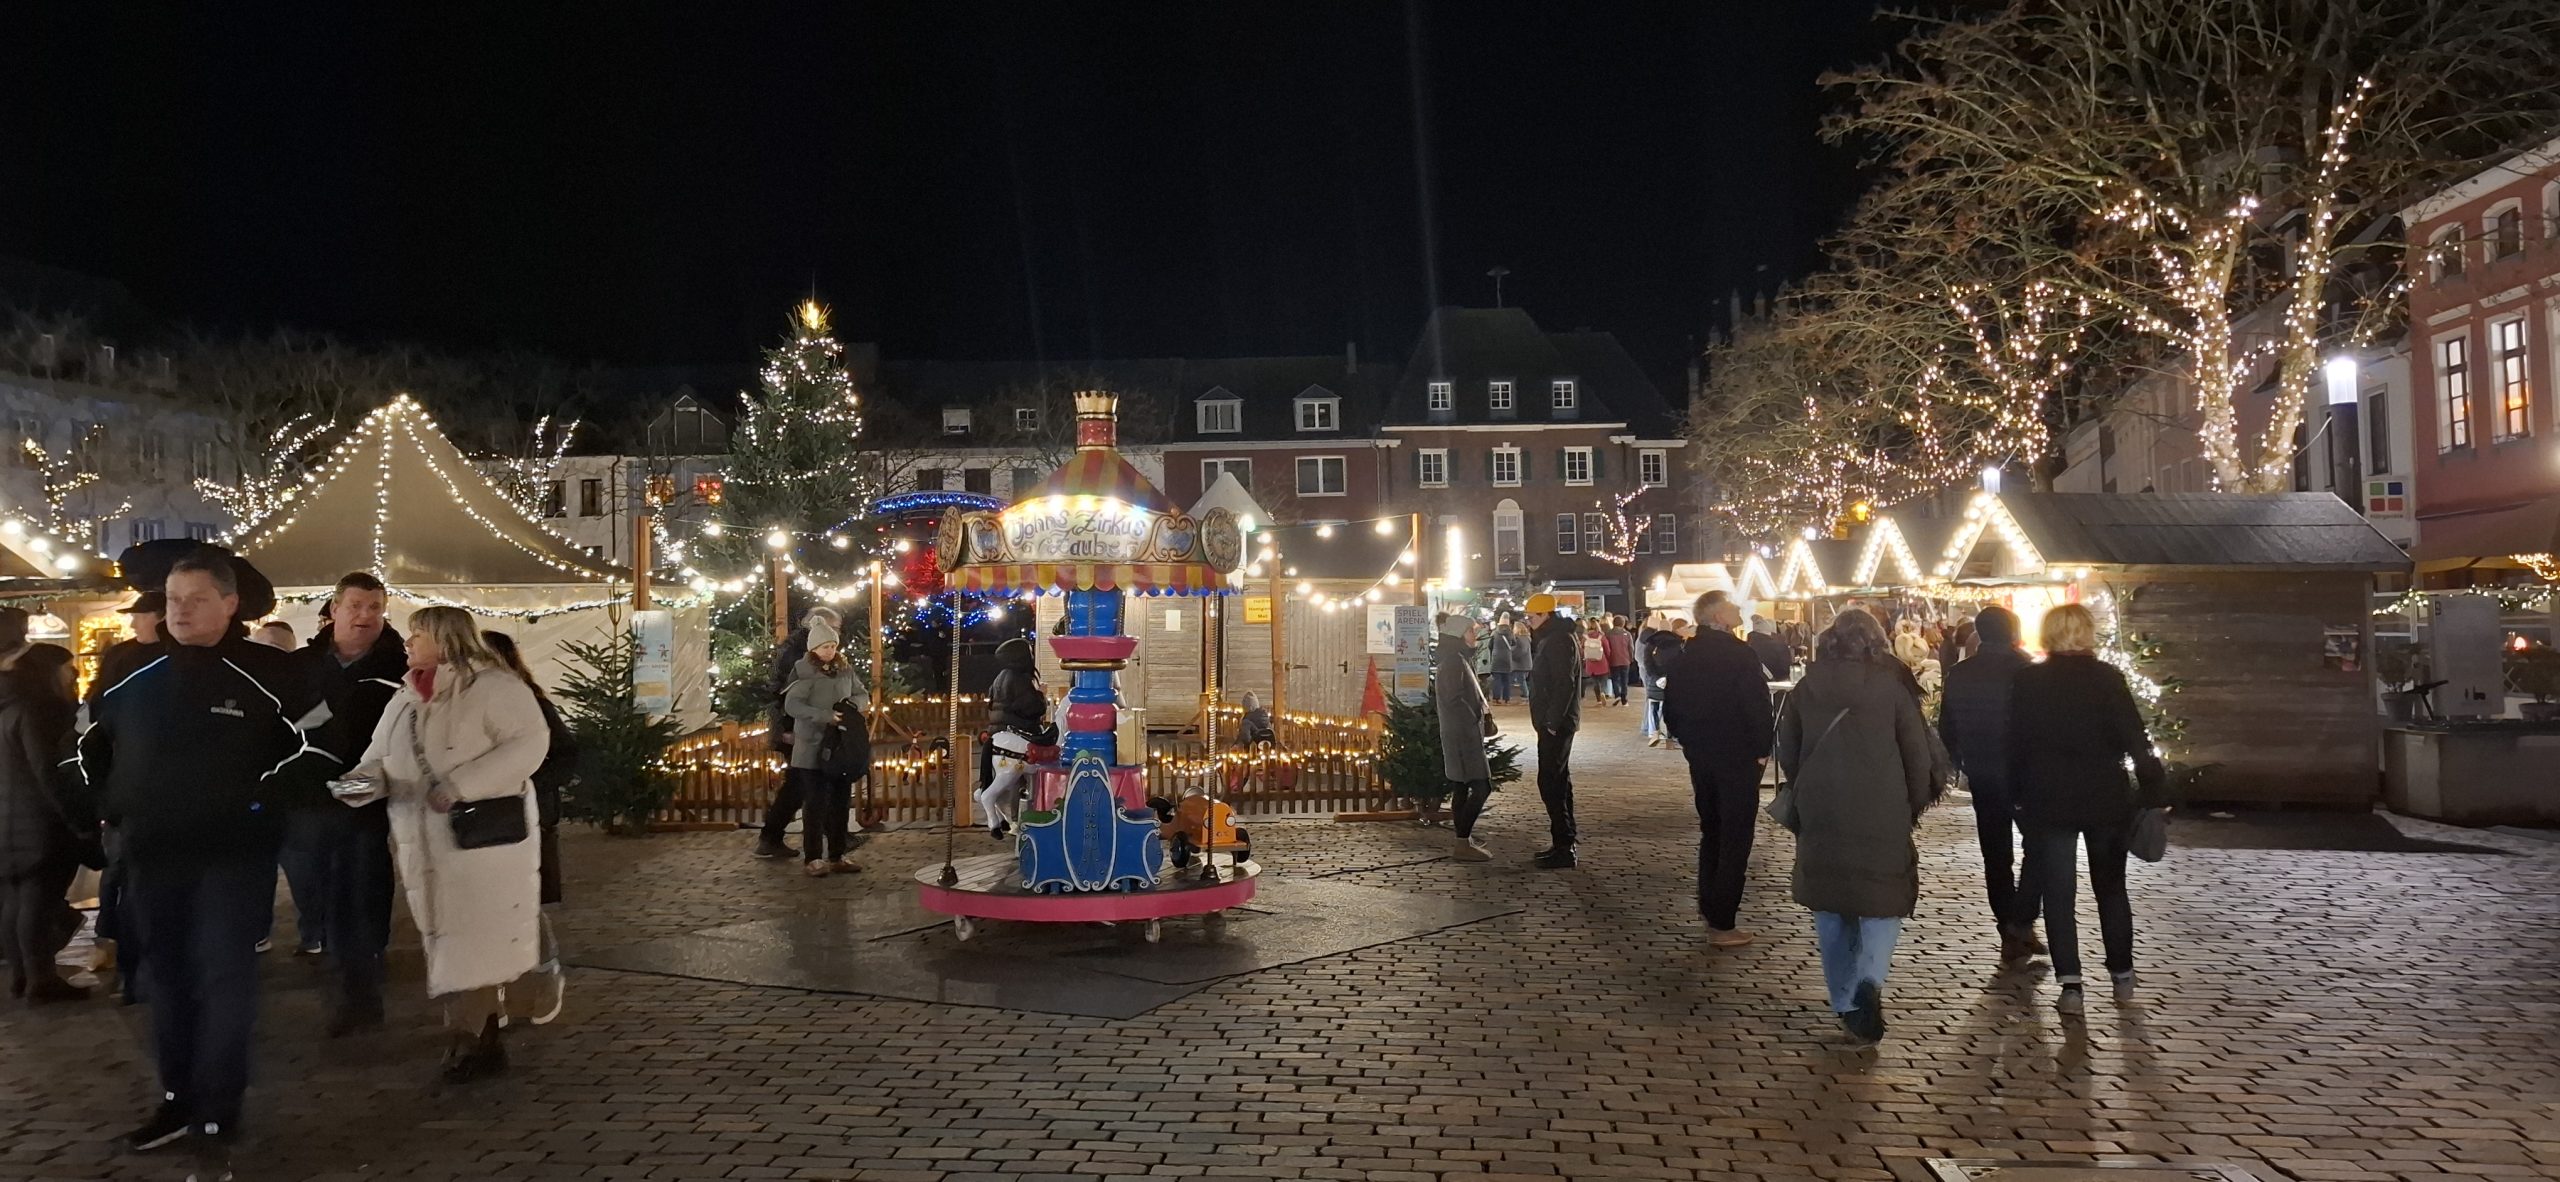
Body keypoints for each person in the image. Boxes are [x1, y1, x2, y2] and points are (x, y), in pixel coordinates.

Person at [83, 546, 333, 1163]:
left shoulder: (272, 672)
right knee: (165, 978)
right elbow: (83, 745)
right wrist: (105, 806)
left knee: (223, 977)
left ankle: (219, 1108)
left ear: (230, 604)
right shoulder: (131, 671)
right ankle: (178, 1100)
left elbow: (326, 745)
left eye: (196, 600)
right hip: (153, 852)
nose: (181, 611)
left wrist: (259, 799)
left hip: (233, 854)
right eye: (173, 600)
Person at [347, 606, 548, 1084]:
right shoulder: (404, 698)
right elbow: (379, 757)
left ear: (444, 638)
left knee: (475, 937)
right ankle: (485, 1029)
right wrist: (357, 785)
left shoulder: (495, 689)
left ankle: (474, 1037)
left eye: (417, 634)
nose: (408, 643)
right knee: (452, 939)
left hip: (479, 840)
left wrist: (460, 785)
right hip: (422, 842)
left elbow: (528, 745)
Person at [1772, 609, 1933, 1046]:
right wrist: (1911, 804)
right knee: (1882, 900)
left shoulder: (1806, 688)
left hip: (1822, 807)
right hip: (1883, 806)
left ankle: (1845, 1002)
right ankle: (1870, 979)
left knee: (1830, 908)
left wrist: (1807, 789)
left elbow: (1788, 749)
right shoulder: (1891, 687)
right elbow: (1917, 754)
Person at [2007, 604, 2168, 1014]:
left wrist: (2017, 795)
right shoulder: (2107, 678)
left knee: (2059, 894)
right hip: (2105, 796)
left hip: (2049, 797)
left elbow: (2015, 743)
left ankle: (2071, 985)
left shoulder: (2028, 681)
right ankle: (2122, 975)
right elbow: (2135, 737)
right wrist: (2153, 788)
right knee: (2111, 889)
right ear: (2087, 633)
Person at [290, 572, 408, 1036]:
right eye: (356, 606)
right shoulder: (301, 665)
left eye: (374, 608)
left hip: (365, 798)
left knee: (362, 888)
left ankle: (360, 988)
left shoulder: (399, 667)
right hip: (307, 796)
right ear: (334, 609)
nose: (365, 616)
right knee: (315, 891)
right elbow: (282, 720)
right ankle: (337, 967)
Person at [1662, 597, 1775, 948]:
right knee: (1736, 836)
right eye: (1731, 607)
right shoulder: (1740, 655)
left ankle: (1710, 904)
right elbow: (1757, 705)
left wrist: (1689, 740)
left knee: (1711, 830)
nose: (1738, 611)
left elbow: (1671, 708)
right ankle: (1722, 920)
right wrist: (1762, 749)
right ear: (1718, 616)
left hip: (1702, 754)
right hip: (1737, 755)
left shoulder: (1685, 656)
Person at [1936, 605, 2043, 966]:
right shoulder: (2027, 669)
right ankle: (2022, 920)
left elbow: (1947, 727)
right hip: (2024, 775)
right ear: (2012, 631)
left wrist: (1958, 762)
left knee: (1996, 856)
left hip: (1982, 774)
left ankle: (2009, 928)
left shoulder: (1960, 674)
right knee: (2039, 847)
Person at [482, 630, 575, 1027]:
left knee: (521, 900)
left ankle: (541, 975)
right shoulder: (466, 702)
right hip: (483, 816)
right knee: (487, 903)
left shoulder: (531, 701)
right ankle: (495, 989)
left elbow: (565, 755)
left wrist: (529, 783)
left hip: (526, 813)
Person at [2, 642, 89, 1003]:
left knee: (15, 901)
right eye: (68, 668)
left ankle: (22, 977)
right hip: (39, 822)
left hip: (7, 820)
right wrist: (78, 819)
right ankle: (42, 979)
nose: (74, 675)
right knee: (38, 902)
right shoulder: (39, 711)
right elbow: (49, 772)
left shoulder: (7, 707)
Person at [754, 606, 843, 860]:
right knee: (802, 783)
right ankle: (774, 836)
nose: (836, 635)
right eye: (834, 628)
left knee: (801, 783)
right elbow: (787, 694)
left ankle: (773, 836)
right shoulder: (800, 654)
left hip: (803, 728)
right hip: (797, 728)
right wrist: (787, 729)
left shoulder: (803, 649)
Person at [784, 619, 865, 875]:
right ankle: (813, 857)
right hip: (812, 748)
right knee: (815, 804)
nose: (829, 651)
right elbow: (792, 705)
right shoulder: (805, 673)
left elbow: (861, 693)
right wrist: (822, 715)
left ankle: (838, 854)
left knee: (840, 802)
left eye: (832, 646)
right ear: (813, 649)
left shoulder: (845, 670)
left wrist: (851, 708)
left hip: (840, 747)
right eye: (824, 647)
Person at [1523, 597, 1583, 869]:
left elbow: (1563, 683)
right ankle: (1563, 840)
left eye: (1532, 616)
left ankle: (1564, 844)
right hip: (1554, 721)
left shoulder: (1557, 640)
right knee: (1557, 779)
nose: (1529, 622)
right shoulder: (1554, 637)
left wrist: (1552, 721)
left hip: (1556, 724)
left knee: (1551, 781)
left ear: (1545, 614)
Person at [1433, 612, 1496, 863]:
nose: (1474, 635)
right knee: (1481, 786)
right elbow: (1453, 698)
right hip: (1462, 735)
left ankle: (1463, 840)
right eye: (1470, 630)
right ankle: (1462, 840)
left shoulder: (1457, 658)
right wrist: (1473, 718)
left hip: (1461, 732)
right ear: (1459, 634)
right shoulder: (1453, 661)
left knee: (1461, 787)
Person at [974, 636, 1047, 834]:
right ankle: (1020, 817)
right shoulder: (1020, 679)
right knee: (1034, 762)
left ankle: (1005, 817)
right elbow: (1032, 707)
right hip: (1019, 729)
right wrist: (1041, 697)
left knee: (1007, 777)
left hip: (998, 730)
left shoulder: (1000, 678)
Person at [1639, 614, 1683, 747]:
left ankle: (1655, 732)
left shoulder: (1651, 642)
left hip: (1655, 678)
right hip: (1673, 679)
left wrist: (1653, 675)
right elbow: (1682, 661)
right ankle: (1670, 737)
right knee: (1672, 707)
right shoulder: (1678, 642)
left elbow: (1647, 661)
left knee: (1654, 705)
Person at [1747, 617, 1793, 683]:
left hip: (1751, 682)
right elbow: (1786, 668)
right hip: (1776, 682)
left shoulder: (1746, 646)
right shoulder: (1779, 645)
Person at [1486, 614, 1519, 705]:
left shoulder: (1494, 633)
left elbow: (1489, 645)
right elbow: (1514, 644)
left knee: (1497, 679)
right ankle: (1506, 699)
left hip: (1496, 658)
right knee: (1506, 680)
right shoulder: (1510, 633)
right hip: (1507, 658)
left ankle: (1496, 698)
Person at [1604, 615, 1635, 706]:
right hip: (1625, 660)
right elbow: (1631, 648)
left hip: (1613, 659)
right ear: (1623, 623)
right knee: (1624, 679)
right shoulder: (1627, 634)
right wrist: (1631, 658)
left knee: (1615, 678)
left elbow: (1606, 647)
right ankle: (1624, 699)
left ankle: (1617, 694)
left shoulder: (1608, 634)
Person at [1580, 618, 1610, 704]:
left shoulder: (1585, 637)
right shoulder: (1601, 636)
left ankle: (1599, 700)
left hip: (1590, 662)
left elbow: (1582, 650)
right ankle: (1603, 692)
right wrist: (1607, 658)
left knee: (1595, 682)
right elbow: (1607, 649)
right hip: (1601, 660)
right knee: (1603, 680)